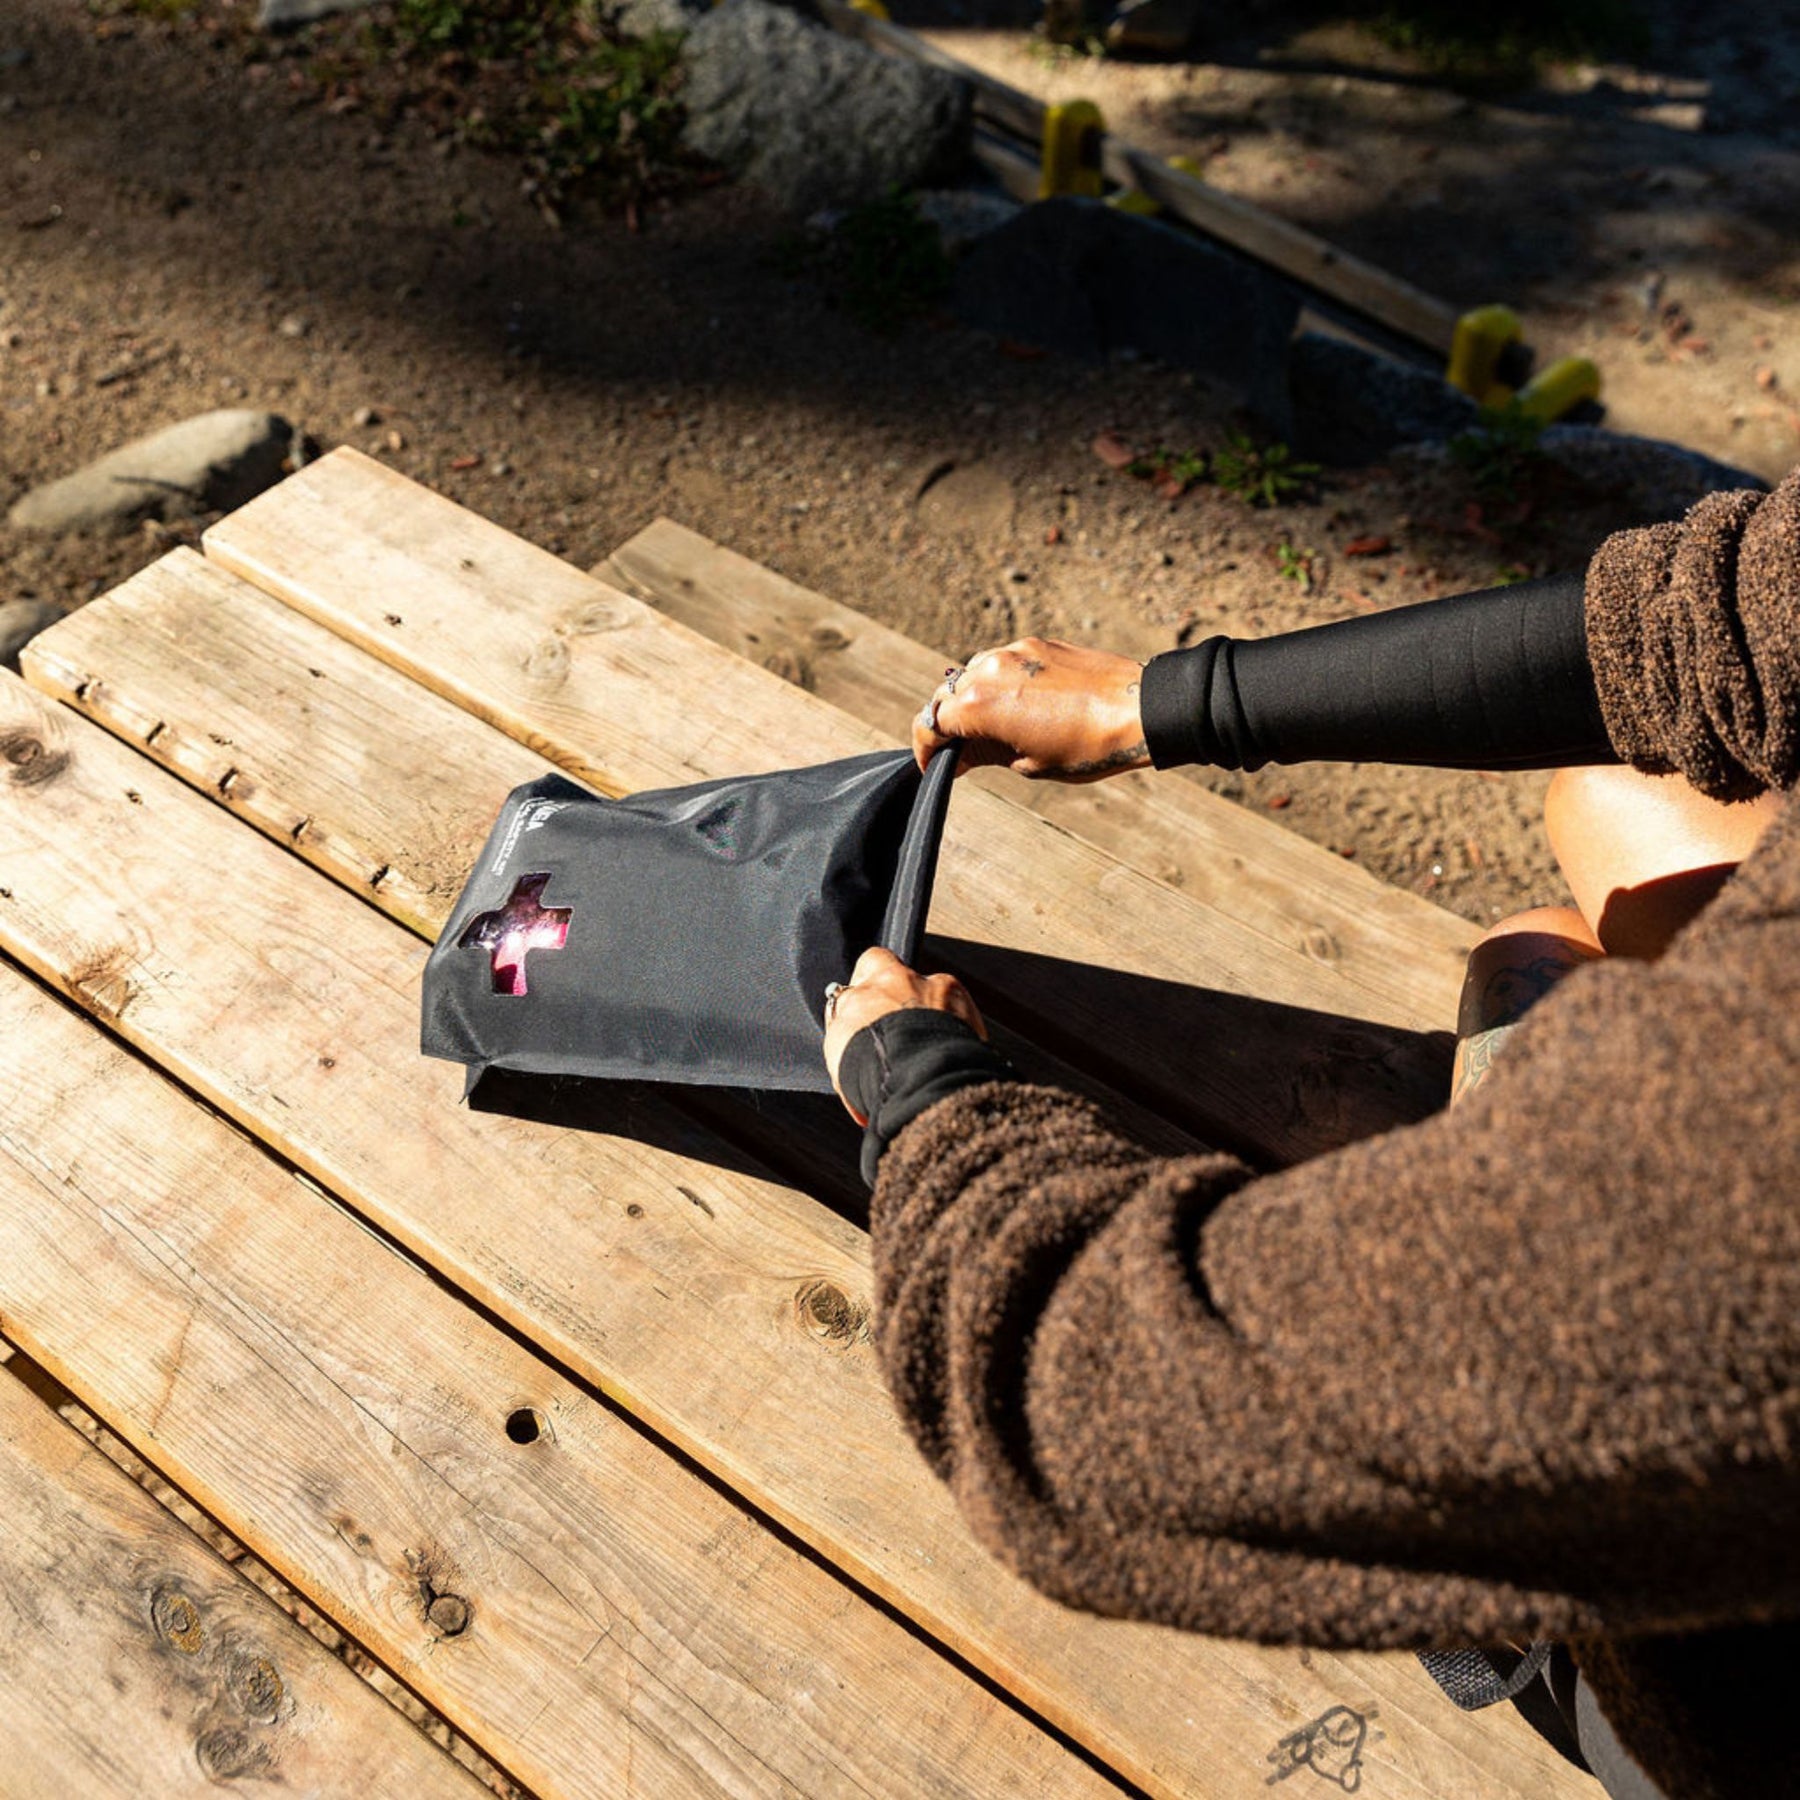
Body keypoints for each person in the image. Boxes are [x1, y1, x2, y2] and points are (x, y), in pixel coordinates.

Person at [819, 471, 1800, 1800]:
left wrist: (922, 1087)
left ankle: (1577, 1668)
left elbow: (1089, 1406)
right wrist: (1160, 705)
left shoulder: (1737, 1179)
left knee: (1527, 960)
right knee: (1615, 796)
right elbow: (1705, 624)